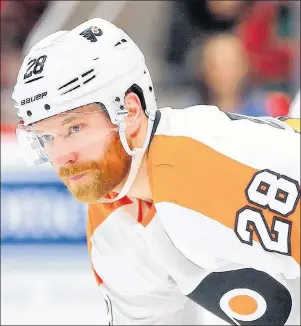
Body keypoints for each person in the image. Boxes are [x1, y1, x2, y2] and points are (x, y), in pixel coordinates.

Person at [12, 18, 300, 325]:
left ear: (131, 112)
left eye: (75, 128)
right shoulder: (111, 220)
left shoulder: (208, 162)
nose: (61, 156)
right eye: (46, 137)